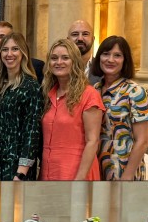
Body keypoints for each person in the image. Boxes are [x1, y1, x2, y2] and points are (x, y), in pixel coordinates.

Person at [40, 39, 104, 180]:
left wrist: (79, 180)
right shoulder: (48, 94)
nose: (59, 62)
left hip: (76, 173)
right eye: (54, 58)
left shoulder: (89, 95)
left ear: (74, 61)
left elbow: (92, 142)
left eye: (65, 58)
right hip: (49, 172)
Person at [91, 36, 148, 181]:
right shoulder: (94, 90)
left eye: (117, 55)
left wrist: (127, 176)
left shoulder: (135, 92)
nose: (110, 59)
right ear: (99, 58)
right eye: (106, 54)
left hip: (124, 169)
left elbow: (142, 141)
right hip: (96, 168)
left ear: (125, 60)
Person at [0, 31, 43, 181]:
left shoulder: (30, 86)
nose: (9, 54)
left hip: (17, 165)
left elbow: (32, 131)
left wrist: (21, 172)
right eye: (5, 50)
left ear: (23, 53)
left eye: (15, 49)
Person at [67, 20, 99, 85]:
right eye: (75, 34)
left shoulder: (102, 68)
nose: (80, 38)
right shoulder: (59, 67)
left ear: (93, 39)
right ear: (68, 40)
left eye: (85, 34)